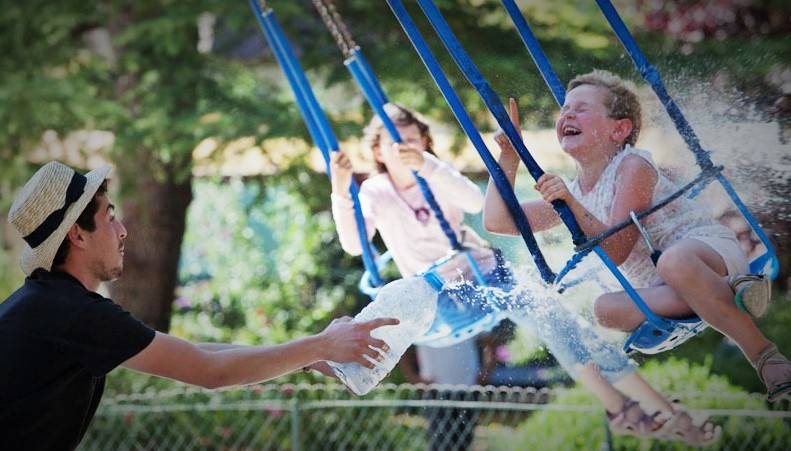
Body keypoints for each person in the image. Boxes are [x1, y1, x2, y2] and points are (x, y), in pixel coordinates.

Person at [331, 103, 720, 446]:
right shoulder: (375, 191)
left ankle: (642, 411)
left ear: (424, 142)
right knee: (403, 307)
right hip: (441, 296)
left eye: (412, 139)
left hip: (486, 278)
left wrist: (430, 167)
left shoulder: (434, 174)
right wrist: (339, 188)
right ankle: (647, 412)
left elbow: (470, 201)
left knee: (564, 326)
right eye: (394, 141)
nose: (403, 147)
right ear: (377, 150)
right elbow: (353, 244)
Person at [0, 161, 399, 451]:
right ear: (78, 235)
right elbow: (211, 372)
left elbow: (194, 354)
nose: (123, 231)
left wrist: (308, 357)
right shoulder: (71, 312)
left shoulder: (55, 302)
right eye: (109, 219)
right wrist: (322, 345)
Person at [483, 69, 791, 404]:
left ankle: (765, 357)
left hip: (706, 254)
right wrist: (509, 157)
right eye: (565, 109)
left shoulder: (633, 165)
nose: (567, 114)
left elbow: (616, 249)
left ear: (620, 129)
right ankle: (730, 292)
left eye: (582, 108)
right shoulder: (574, 192)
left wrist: (570, 203)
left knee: (674, 262)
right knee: (604, 309)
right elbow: (498, 221)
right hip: (666, 289)